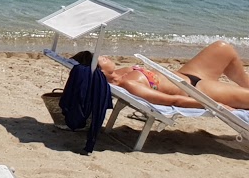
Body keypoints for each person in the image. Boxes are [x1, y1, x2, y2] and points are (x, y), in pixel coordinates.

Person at [81, 41, 249, 110]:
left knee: (223, 48)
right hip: (199, 90)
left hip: (187, 74)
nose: (104, 56)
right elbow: (171, 101)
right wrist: (215, 105)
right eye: (100, 59)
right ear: (100, 71)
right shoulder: (130, 85)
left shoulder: (118, 73)